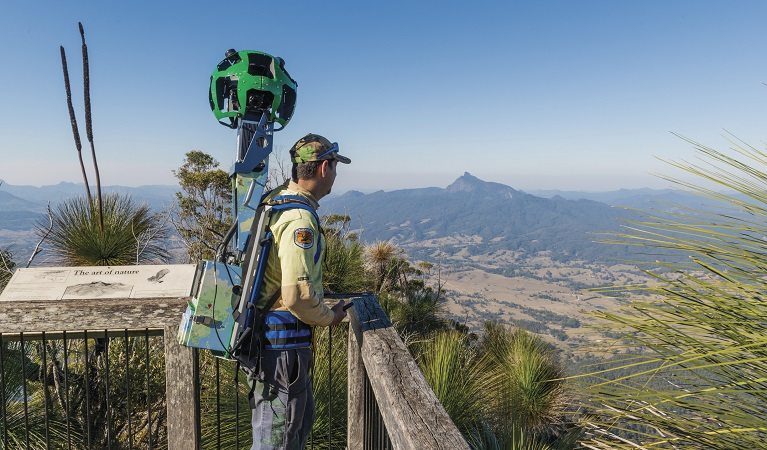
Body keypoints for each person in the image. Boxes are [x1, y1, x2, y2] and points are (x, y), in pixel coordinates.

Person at [249, 133, 351, 449]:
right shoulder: (299, 218)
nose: (335, 174)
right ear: (324, 168)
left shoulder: (275, 201)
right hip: (283, 348)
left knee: (282, 430)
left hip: (270, 343)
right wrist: (328, 317)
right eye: (335, 166)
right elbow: (297, 295)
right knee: (279, 437)